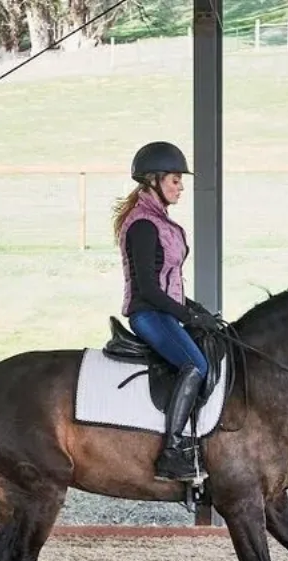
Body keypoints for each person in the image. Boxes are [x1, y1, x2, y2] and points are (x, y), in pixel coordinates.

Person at [112, 141, 221, 482]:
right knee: (196, 365)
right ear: (153, 180)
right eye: (175, 180)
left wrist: (197, 311)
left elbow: (169, 282)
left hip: (165, 312)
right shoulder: (143, 225)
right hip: (148, 314)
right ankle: (172, 452)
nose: (181, 187)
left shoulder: (158, 221)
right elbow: (148, 288)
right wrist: (188, 316)